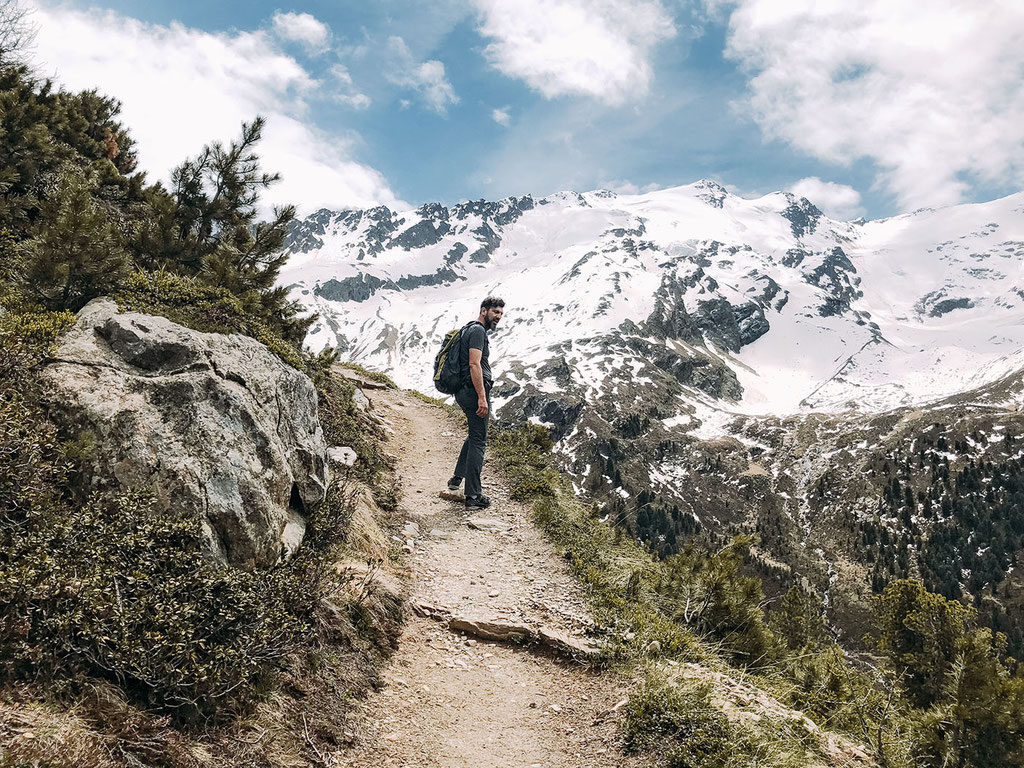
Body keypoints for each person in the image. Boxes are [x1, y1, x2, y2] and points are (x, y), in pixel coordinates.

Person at [448, 296, 505, 509]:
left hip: (463, 391)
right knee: (479, 441)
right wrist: (482, 396)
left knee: (474, 435)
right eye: (495, 312)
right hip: (473, 392)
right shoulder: (478, 331)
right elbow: (474, 364)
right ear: (484, 311)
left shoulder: (469, 329)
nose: (498, 317)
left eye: (500, 313)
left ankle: (456, 479)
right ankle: (473, 497)